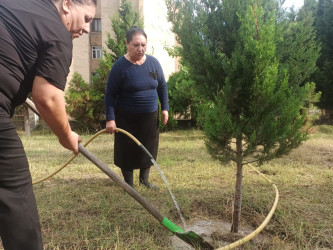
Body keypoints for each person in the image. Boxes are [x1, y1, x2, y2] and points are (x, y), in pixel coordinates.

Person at [0, 0, 96, 249]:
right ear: (67, 5)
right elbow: (48, 98)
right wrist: (66, 135)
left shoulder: (22, 8)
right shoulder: (57, 31)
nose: (86, 29)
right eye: (86, 18)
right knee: (14, 190)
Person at [105, 26, 169, 190]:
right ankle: (129, 184)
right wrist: (110, 119)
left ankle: (144, 180)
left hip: (150, 117)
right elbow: (110, 95)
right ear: (127, 43)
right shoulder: (119, 67)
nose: (140, 49)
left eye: (143, 45)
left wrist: (165, 108)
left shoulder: (153, 64)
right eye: (136, 45)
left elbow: (162, 87)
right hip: (126, 117)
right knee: (127, 149)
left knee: (148, 147)